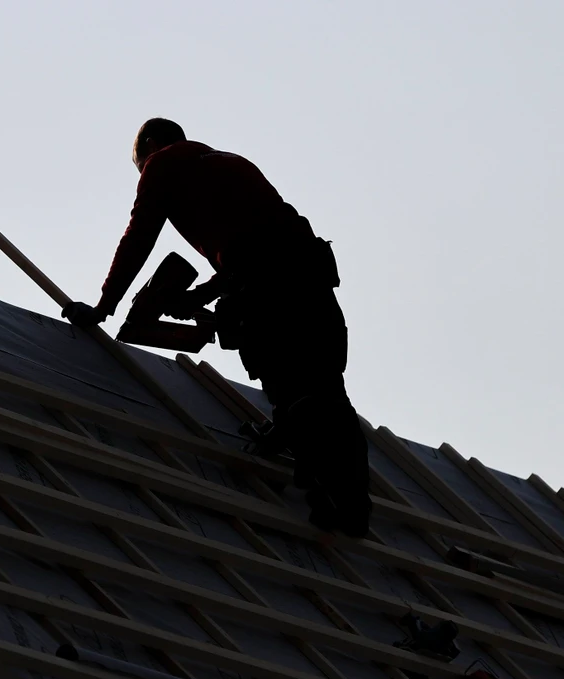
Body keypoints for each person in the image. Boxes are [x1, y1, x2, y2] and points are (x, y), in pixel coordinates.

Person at [63, 118, 371, 537]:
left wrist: (104, 305)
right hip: (309, 277)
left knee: (296, 388)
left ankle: (333, 510)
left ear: (152, 145)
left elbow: (140, 234)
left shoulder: (163, 163)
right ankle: (351, 499)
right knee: (324, 384)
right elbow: (255, 246)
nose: (143, 176)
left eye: (140, 166)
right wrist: (201, 297)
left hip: (269, 288)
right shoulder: (230, 163)